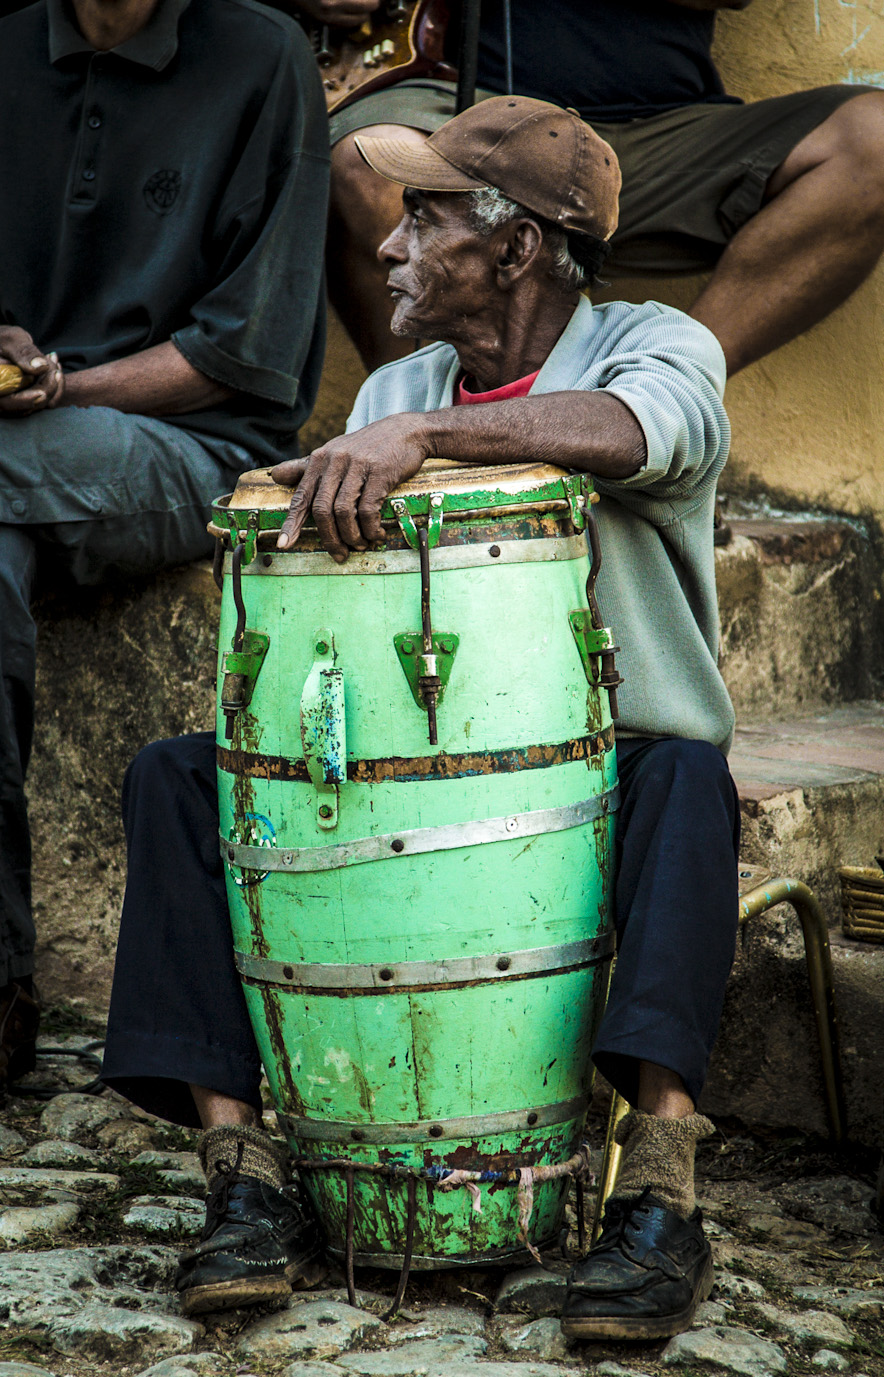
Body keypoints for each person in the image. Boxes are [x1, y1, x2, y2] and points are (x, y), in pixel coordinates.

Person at [103, 96, 741, 1341]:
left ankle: (657, 1199)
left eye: (425, 221)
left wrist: (423, 436)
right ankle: (243, 1180)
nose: (389, 250)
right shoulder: (398, 380)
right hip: (411, 772)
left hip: (608, 770)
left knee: (688, 785)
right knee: (180, 776)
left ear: (514, 249)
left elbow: (631, 433)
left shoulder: (655, 344)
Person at [0, 0, 331, 1096]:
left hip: (194, 446)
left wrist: (61, 381)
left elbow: (246, 351)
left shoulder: (260, 53)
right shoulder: (7, 50)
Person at [302, 0, 884, 374]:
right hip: (461, 110)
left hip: (662, 132)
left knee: (874, 139)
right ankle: (422, 432)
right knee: (368, 165)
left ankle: (657, 402)